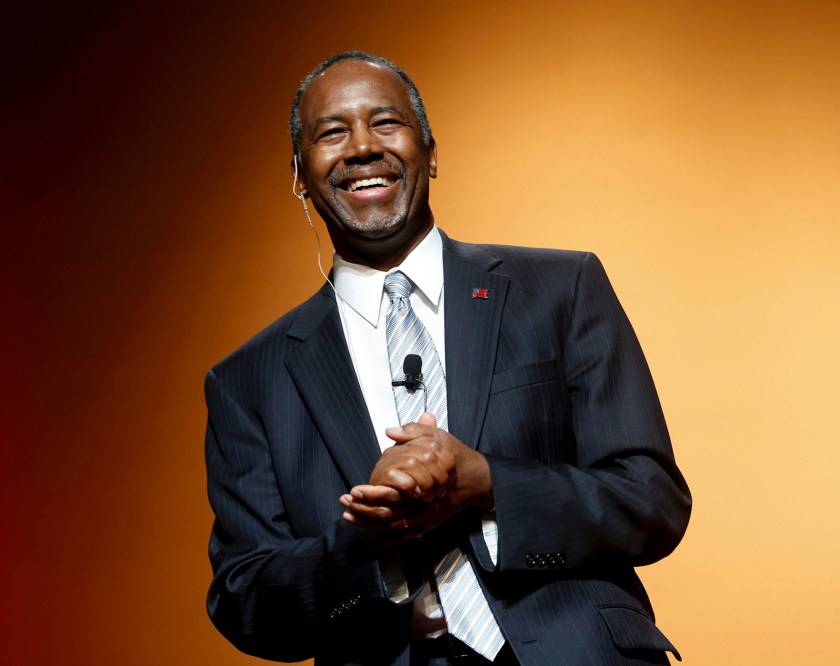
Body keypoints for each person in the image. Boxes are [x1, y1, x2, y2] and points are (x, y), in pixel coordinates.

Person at [205, 50, 690, 666]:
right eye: (332, 133)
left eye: (386, 123)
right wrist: (370, 543)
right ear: (301, 173)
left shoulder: (561, 289)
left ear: (431, 153)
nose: (361, 148)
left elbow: (652, 501)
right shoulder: (247, 380)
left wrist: (486, 485)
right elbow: (245, 601)